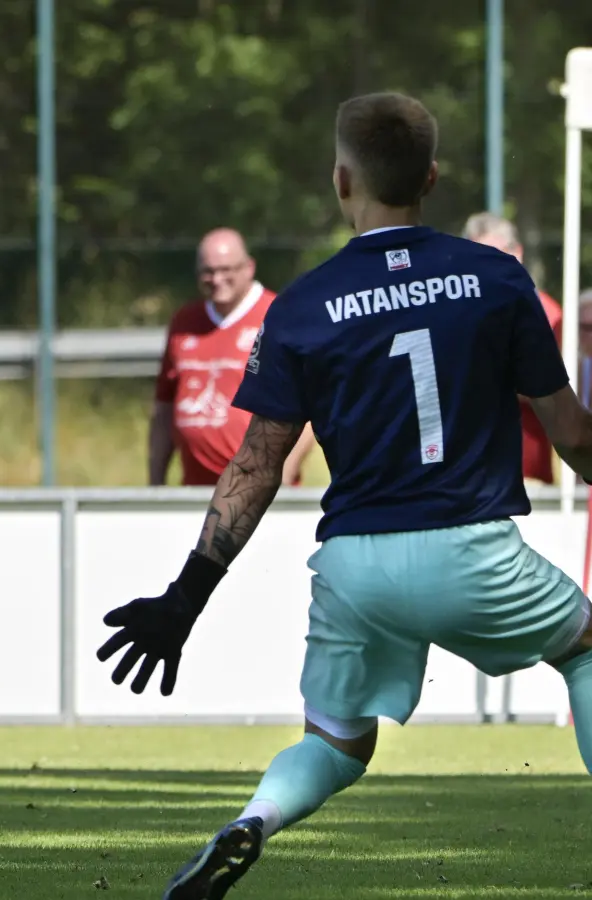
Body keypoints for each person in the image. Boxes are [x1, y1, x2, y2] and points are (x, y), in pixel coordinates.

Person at [97, 92, 592, 899]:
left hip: (354, 567)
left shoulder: (302, 306)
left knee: (335, 742)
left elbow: (255, 467)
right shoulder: (498, 279)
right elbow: (571, 433)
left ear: (340, 181)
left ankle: (251, 821)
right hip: (471, 545)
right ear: (431, 178)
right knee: (584, 648)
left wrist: (184, 601)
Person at [151, 228, 315, 486]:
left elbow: (312, 405)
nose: (217, 279)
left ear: (249, 267)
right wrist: (155, 484)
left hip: (257, 495)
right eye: (208, 271)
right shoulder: (184, 322)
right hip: (196, 493)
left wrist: (283, 473)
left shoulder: (278, 315)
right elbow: (164, 409)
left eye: (226, 269)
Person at [463, 211, 564, 485]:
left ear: (516, 253)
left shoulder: (548, 314)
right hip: (472, 473)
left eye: (492, 255)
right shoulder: (462, 312)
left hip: (526, 472)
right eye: (475, 257)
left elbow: (558, 391)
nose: (483, 267)